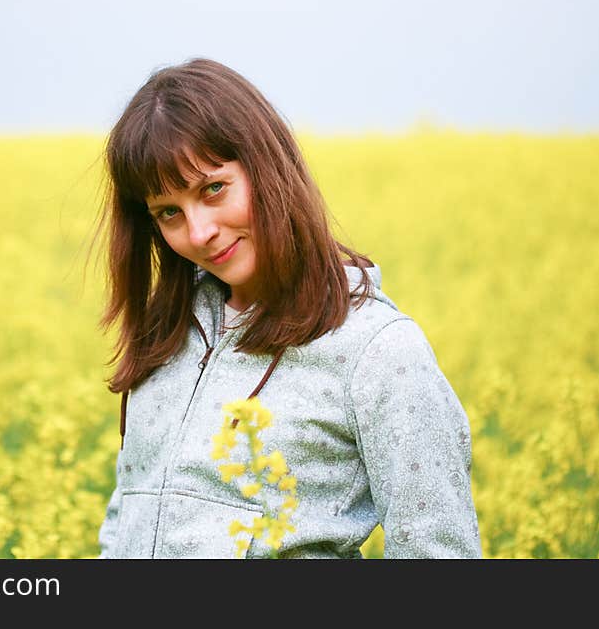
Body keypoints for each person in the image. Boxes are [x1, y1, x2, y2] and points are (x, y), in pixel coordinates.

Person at [94, 57, 481, 558]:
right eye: (168, 212)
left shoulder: (377, 351)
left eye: (213, 189)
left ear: (267, 167)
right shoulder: (167, 335)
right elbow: (127, 517)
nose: (198, 233)